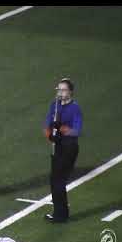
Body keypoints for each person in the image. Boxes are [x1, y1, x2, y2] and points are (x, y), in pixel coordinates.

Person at [44, 78, 83, 223]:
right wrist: (50, 136)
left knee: (59, 180)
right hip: (57, 146)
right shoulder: (54, 105)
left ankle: (61, 215)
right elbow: (46, 125)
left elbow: (76, 131)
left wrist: (60, 128)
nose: (60, 92)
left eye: (63, 90)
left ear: (70, 92)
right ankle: (59, 212)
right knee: (53, 180)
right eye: (58, 90)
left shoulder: (75, 108)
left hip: (69, 148)